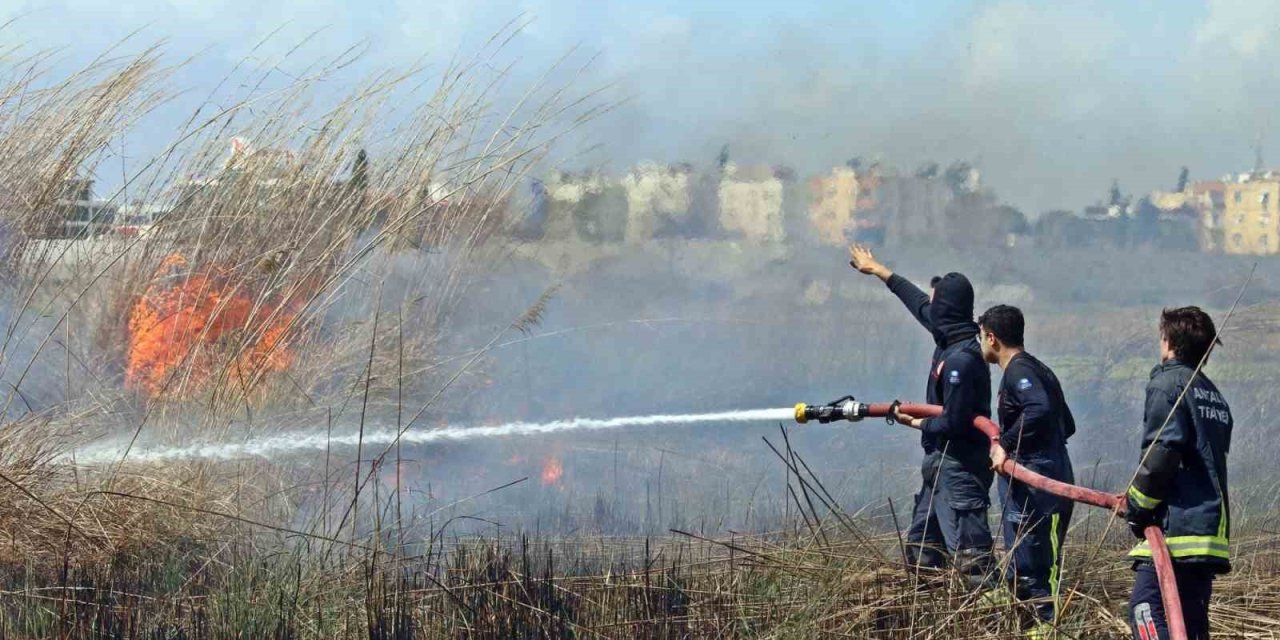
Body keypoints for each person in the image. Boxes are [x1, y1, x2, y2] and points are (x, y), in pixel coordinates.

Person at [848, 244, 995, 585]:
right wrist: (879, 270)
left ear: (945, 309)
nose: (928, 306)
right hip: (938, 465)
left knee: (972, 560)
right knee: (923, 552)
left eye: (935, 300)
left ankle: (994, 615)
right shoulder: (948, 334)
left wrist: (917, 422)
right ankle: (929, 614)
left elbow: (956, 422)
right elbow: (917, 302)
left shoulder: (961, 359)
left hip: (960, 468)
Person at [1125, 306, 1232, 640]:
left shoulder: (1168, 385)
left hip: (1176, 531)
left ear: (1168, 341)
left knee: (1145, 610)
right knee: (1189, 624)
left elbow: (1162, 454)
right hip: (1206, 534)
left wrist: (1137, 508)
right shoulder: (1214, 395)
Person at [978, 305, 1075, 634]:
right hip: (1043, 474)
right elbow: (1067, 424)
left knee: (1037, 568)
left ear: (992, 338)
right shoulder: (1039, 369)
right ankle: (1025, 624)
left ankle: (1045, 630)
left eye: (981, 338)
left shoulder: (1019, 371)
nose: (981, 345)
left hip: (1038, 484)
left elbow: (1040, 409)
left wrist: (1005, 443)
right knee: (1023, 564)